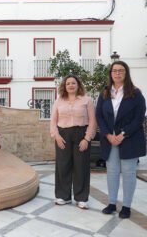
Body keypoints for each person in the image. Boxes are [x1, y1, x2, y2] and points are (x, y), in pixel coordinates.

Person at [96, 60, 146, 219]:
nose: (117, 73)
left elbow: (139, 118)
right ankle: (111, 203)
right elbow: (99, 116)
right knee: (111, 172)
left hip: (129, 139)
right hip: (110, 140)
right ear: (111, 74)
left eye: (121, 71)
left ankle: (126, 206)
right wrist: (108, 135)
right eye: (114, 70)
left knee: (129, 173)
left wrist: (122, 134)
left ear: (126, 73)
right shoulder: (104, 93)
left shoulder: (136, 93)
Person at [50, 75, 96, 209]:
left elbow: (93, 121)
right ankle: (63, 196)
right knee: (62, 166)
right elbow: (53, 120)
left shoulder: (86, 100)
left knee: (81, 166)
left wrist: (87, 138)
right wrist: (56, 136)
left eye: (73, 83)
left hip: (81, 134)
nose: (70, 85)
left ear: (78, 85)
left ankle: (81, 198)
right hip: (63, 134)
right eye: (68, 83)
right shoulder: (59, 101)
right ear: (64, 86)